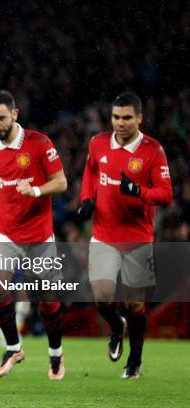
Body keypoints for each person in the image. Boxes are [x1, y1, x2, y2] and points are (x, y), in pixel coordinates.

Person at [0, 90, 68, 380]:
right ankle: (13, 348)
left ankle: (56, 353)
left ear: (15, 114)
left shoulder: (39, 143)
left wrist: (36, 190)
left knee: (46, 299)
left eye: (1, 118)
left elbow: (61, 182)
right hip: (4, 231)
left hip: (38, 234)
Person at [77, 91, 172, 379]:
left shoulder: (153, 151)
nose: (121, 123)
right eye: (116, 117)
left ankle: (135, 360)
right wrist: (85, 199)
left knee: (135, 304)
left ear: (139, 118)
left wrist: (138, 192)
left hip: (137, 239)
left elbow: (166, 195)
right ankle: (117, 327)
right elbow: (91, 172)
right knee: (102, 300)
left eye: (127, 117)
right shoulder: (98, 143)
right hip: (104, 235)